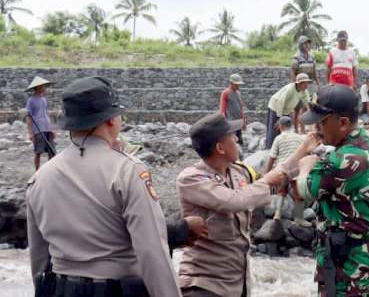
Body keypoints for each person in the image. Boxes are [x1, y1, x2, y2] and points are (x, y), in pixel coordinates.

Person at [26, 76, 183, 296]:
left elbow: (39, 261)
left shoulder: (40, 178)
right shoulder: (128, 171)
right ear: (110, 119)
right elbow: (152, 252)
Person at [267, 84, 369, 297]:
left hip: (346, 263)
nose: (316, 129)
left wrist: (306, 166)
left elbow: (305, 191)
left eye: (321, 123)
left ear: (343, 123)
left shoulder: (337, 161)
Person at [176, 112, 283, 297]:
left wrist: (300, 156)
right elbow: (233, 200)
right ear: (220, 147)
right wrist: (266, 183)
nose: (237, 139)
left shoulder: (238, 172)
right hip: (203, 287)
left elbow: (271, 183)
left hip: (237, 286)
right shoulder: (191, 178)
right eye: (232, 136)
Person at [265, 116, 310, 226]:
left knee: (281, 192)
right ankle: (299, 218)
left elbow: (272, 156)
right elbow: (305, 153)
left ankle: (277, 214)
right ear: (290, 126)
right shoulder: (299, 137)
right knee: (298, 195)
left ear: (281, 126)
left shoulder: (279, 138)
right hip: (296, 169)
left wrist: (268, 171)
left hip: (283, 169)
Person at [266, 73, 312, 149]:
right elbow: (280, 103)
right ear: (299, 83)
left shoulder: (304, 92)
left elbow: (308, 103)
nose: (307, 85)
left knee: (286, 130)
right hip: (275, 108)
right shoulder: (289, 89)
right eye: (305, 83)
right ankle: (269, 148)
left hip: (286, 111)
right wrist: (279, 118)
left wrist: (314, 112)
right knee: (275, 128)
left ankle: (283, 148)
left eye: (307, 83)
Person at [292, 35, 322, 133]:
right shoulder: (296, 57)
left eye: (308, 43)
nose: (307, 45)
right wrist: (294, 85)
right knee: (297, 109)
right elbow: (293, 72)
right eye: (305, 43)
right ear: (301, 44)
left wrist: (318, 83)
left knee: (307, 106)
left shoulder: (312, 56)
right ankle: (296, 130)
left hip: (310, 85)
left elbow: (314, 71)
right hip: (300, 85)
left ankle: (303, 129)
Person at [25, 76, 56, 170]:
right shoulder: (31, 100)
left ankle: (49, 170)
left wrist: (52, 128)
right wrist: (30, 132)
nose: (45, 88)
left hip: (47, 127)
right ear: (38, 87)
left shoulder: (43, 99)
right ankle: (37, 171)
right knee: (38, 151)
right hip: (38, 129)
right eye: (43, 86)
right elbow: (29, 116)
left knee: (51, 150)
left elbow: (46, 114)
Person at [219, 73, 247, 146]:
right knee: (232, 142)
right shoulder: (225, 93)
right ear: (231, 83)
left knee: (239, 142)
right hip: (230, 122)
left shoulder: (238, 93)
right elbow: (222, 109)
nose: (238, 86)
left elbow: (240, 108)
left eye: (239, 85)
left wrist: (243, 121)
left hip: (238, 122)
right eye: (236, 84)